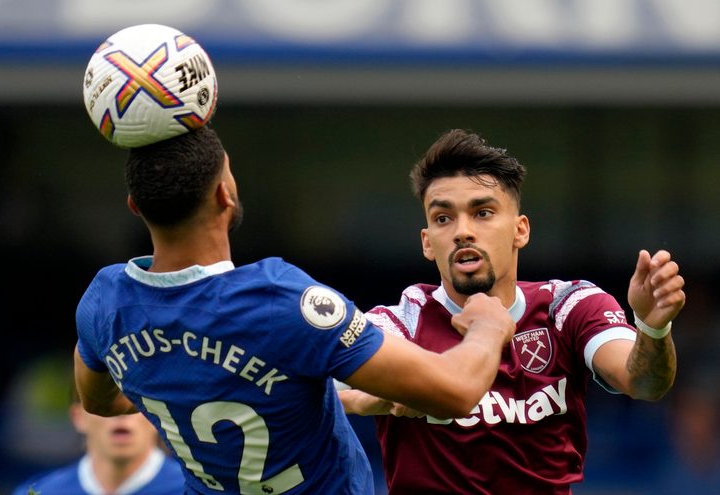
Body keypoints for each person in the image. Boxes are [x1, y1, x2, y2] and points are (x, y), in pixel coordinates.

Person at [73, 125, 516, 495]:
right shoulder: (280, 300)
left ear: (135, 207)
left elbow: (101, 400)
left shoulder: (106, 302)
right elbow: (457, 391)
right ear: (226, 194)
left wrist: (192, 382)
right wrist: (487, 327)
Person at [339, 129, 686, 494]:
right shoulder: (397, 326)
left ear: (520, 230)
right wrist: (361, 397)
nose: (462, 232)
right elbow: (320, 387)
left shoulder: (568, 307)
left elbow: (644, 384)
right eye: (443, 218)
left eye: (482, 213)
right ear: (427, 243)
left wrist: (652, 327)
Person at [12, 389, 184, 495]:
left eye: (134, 401)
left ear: (157, 415)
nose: (120, 413)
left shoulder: (193, 491)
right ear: (78, 417)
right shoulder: (40, 492)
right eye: (104, 403)